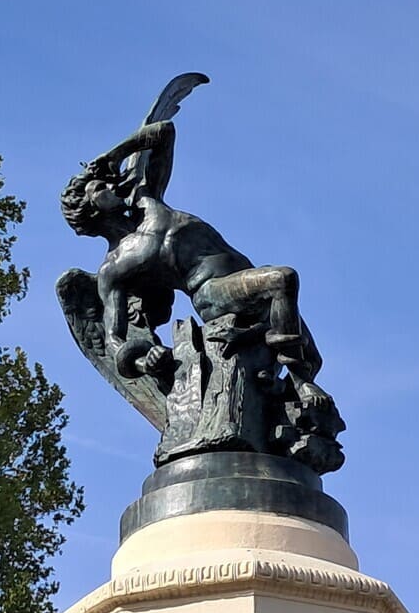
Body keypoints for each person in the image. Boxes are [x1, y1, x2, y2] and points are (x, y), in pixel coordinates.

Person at [61, 120, 327, 403]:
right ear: (90, 208)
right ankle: (301, 383)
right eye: (101, 188)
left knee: (314, 360)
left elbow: (164, 131)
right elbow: (114, 340)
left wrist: (114, 154)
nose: (112, 186)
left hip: (247, 280)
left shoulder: (146, 199)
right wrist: (142, 362)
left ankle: (280, 404)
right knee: (282, 279)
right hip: (212, 291)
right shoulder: (113, 269)